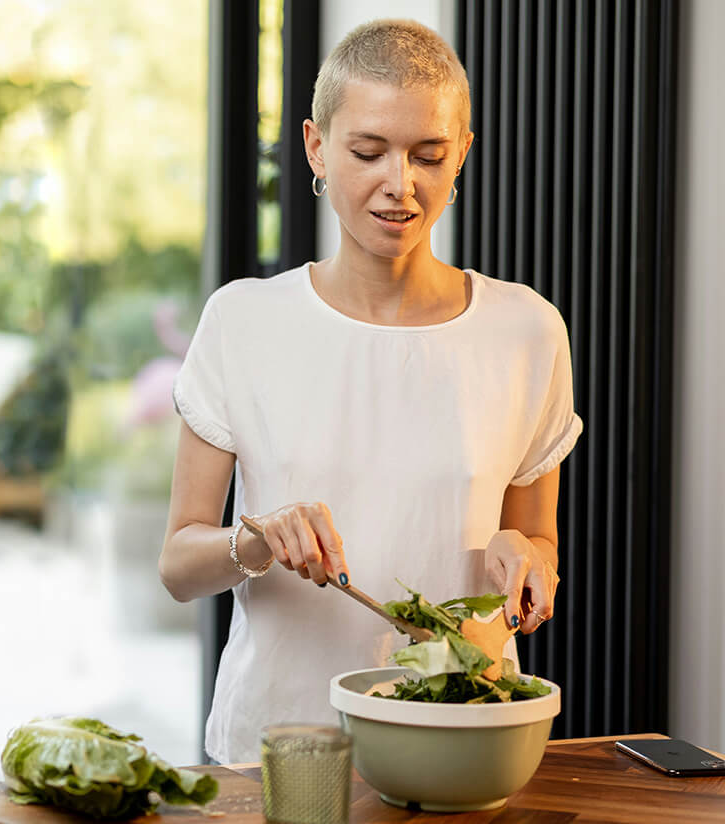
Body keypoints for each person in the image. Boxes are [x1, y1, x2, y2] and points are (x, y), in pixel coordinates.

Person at [157, 18, 582, 765]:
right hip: (279, 751)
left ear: (461, 157)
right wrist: (253, 539)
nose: (401, 184)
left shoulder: (527, 330)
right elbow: (180, 566)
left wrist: (529, 556)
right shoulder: (243, 320)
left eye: (429, 156)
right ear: (317, 147)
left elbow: (536, 540)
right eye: (368, 151)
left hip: (462, 740)